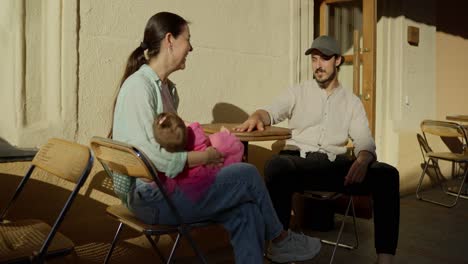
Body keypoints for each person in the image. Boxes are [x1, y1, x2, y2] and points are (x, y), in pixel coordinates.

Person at [110, 12, 321, 263]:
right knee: (247, 174)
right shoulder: (139, 87)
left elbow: (168, 144)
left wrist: (206, 145)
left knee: (246, 210)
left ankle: (274, 245)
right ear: (170, 40)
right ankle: (280, 240)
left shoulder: (165, 88)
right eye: (187, 39)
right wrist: (205, 156)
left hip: (166, 188)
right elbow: (153, 158)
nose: (191, 47)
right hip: (151, 198)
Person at [236, 35, 400, 264]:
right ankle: (280, 244)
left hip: (335, 168)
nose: (318, 65)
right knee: (277, 166)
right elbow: (270, 111)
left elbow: (364, 140)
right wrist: (257, 115)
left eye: (324, 59)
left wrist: (363, 159)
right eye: (314, 59)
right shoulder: (298, 92)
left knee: (388, 175)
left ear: (338, 61)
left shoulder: (352, 102)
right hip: (300, 163)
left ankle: (385, 259)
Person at [152, 112, 244, 201]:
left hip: (188, 189)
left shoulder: (169, 160)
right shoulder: (195, 133)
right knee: (224, 142)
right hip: (206, 177)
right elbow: (205, 140)